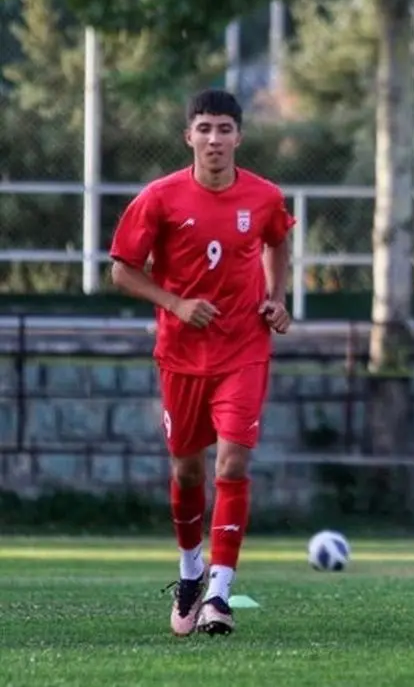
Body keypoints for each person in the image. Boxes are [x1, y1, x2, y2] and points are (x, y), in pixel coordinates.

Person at [108, 89, 294, 637]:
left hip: (244, 348)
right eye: (205, 129)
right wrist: (176, 304)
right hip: (181, 355)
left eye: (225, 129)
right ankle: (191, 571)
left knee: (231, 466)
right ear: (188, 135)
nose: (215, 140)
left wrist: (277, 298)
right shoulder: (160, 198)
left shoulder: (263, 197)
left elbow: (277, 241)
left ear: (239, 136)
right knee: (187, 470)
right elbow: (121, 269)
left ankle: (219, 593)